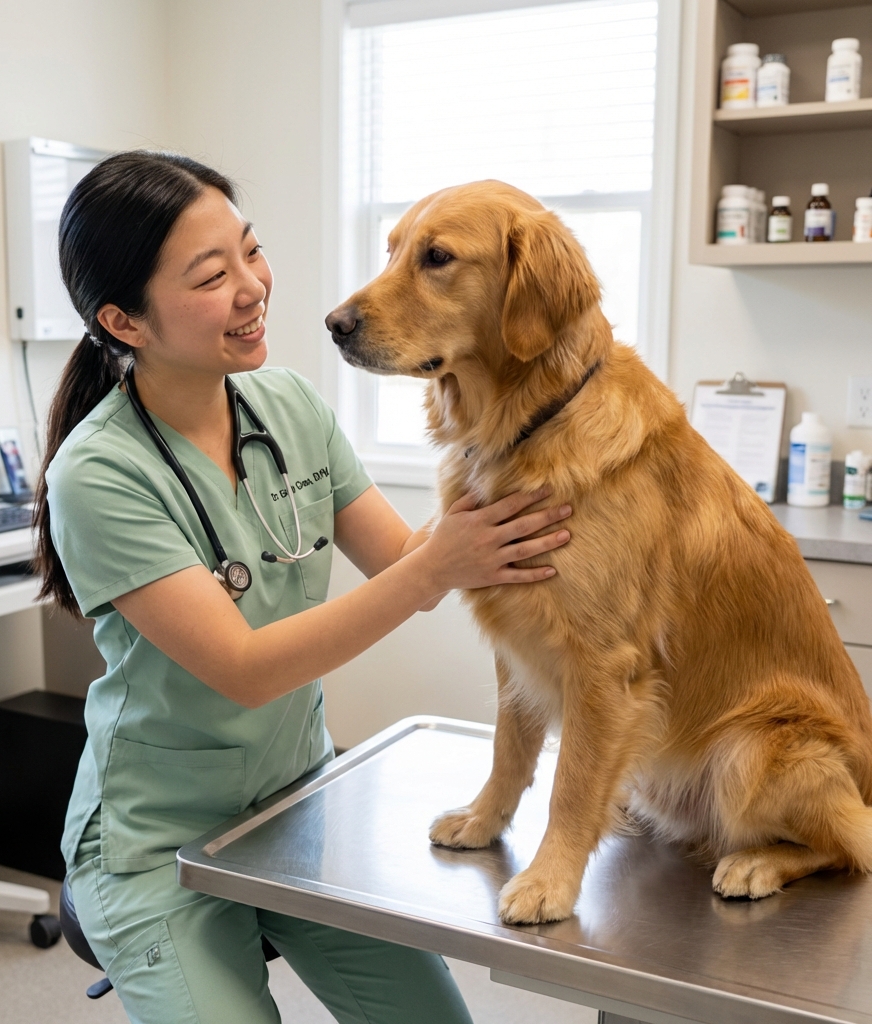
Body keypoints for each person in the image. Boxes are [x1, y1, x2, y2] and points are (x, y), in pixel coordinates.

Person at [34, 150, 572, 1024]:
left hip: (291, 808)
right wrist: (438, 564)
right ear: (124, 321)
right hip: (154, 840)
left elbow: (404, 563)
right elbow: (245, 667)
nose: (253, 287)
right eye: (213, 275)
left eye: (251, 252)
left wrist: (516, 486)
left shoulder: (290, 406)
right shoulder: (97, 474)